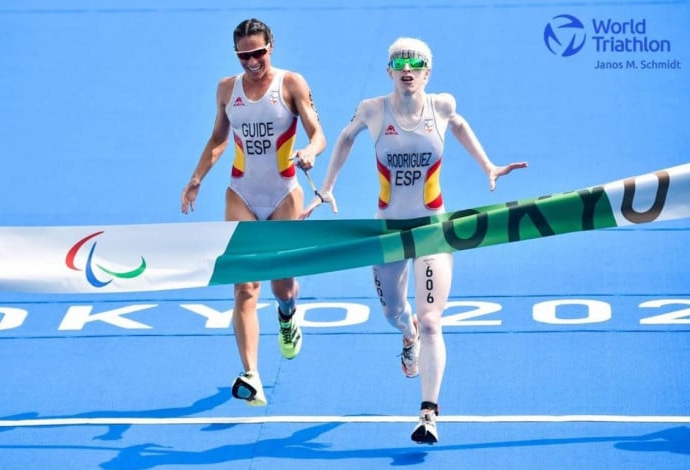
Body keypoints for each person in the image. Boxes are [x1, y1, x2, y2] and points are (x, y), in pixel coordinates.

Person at [303, 37, 527, 444]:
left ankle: (428, 414)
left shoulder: (441, 106)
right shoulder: (373, 109)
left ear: (428, 71)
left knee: (431, 321)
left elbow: (459, 126)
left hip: (431, 229)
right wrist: (328, 186)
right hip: (387, 230)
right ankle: (406, 339)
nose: (408, 69)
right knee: (394, 313)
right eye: (399, 62)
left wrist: (488, 165)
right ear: (389, 71)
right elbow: (346, 138)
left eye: (416, 63)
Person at [181, 18, 326, 407]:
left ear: (271, 48)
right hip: (241, 193)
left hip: (284, 195)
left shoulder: (291, 84)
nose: (252, 61)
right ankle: (251, 374)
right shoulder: (227, 89)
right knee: (245, 286)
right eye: (244, 55)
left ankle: (287, 313)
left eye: (258, 53)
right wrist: (196, 178)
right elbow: (217, 139)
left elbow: (317, 132)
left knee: (282, 286)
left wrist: (311, 151)